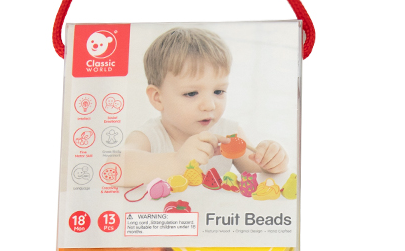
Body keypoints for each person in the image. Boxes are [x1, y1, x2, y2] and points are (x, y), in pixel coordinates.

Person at [120, 27, 289, 188]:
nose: (210, 105)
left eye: (218, 91)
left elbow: (260, 173)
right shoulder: (149, 136)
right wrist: (177, 161)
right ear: (158, 98)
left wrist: (271, 162)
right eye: (191, 93)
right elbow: (116, 168)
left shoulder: (230, 133)